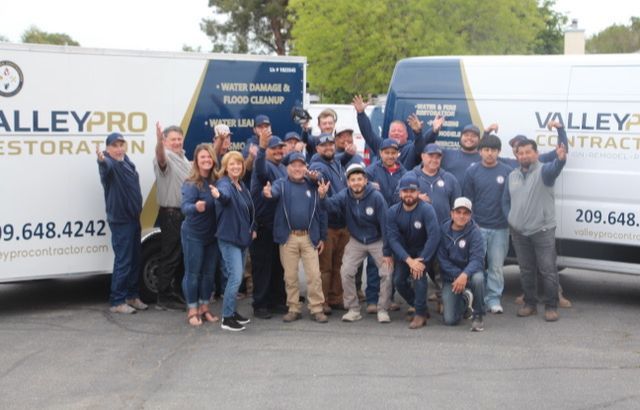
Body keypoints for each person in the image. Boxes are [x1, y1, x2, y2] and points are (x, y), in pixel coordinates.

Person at [503, 121, 567, 322]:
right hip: (519, 232)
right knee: (526, 269)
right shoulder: (512, 175)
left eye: (527, 152)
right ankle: (530, 304)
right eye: (520, 153)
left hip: (542, 230)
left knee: (547, 269)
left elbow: (558, 164)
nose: (523, 156)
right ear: (516, 156)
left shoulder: (545, 172)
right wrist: (511, 219)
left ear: (536, 154)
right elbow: (505, 201)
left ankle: (550, 306)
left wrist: (560, 134)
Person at [319, 163, 393, 323]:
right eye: (353, 180)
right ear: (348, 182)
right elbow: (329, 207)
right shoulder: (344, 195)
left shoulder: (376, 197)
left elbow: (386, 225)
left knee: (386, 273)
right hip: (357, 239)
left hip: (377, 240)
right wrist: (323, 196)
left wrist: (387, 252)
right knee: (346, 272)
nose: (356, 183)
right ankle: (353, 309)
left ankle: (383, 309)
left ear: (365, 180)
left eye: (359, 179)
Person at [263, 152, 329, 323]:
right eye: (294, 165)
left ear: (306, 168)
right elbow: (273, 192)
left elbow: (322, 212)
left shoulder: (313, 185)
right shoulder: (281, 184)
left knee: (314, 275)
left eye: (301, 165)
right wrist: (268, 193)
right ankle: (293, 308)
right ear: (288, 168)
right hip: (288, 237)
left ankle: (316, 308)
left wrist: (322, 236)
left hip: (309, 237)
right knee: (290, 276)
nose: (298, 168)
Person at [462, 134, 513, 314]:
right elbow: (468, 199)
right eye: (486, 150)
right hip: (477, 227)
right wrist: (471, 224)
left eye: (493, 150)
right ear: (480, 151)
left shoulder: (507, 171)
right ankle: (476, 297)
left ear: (499, 152)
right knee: (476, 264)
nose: (489, 153)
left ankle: (493, 299)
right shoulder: (472, 171)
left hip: (500, 228)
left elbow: (510, 199)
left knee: (496, 266)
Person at [96, 132, 146, 314]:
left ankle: (132, 296)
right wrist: (102, 160)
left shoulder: (126, 161)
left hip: (133, 219)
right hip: (121, 220)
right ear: (108, 149)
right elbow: (105, 166)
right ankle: (117, 301)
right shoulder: (109, 163)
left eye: (121, 145)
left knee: (134, 259)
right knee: (124, 260)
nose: (119, 149)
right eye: (114, 146)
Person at [387, 174, 441, 329]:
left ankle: (419, 315)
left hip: (424, 251)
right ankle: (420, 306)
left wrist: (421, 260)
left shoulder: (427, 209)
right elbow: (392, 239)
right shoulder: (392, 212)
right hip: (405, 254)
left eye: (412, 191)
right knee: (398, 281)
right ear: (400, 193)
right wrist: (409, 260)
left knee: (419, 277)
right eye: (405, 191)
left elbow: (434, 235)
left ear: (418, 192)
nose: (409, 194)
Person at [210, 151, 255, 331]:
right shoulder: (224, 184)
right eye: (232, 164)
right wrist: (218, 195)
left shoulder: (241, 185)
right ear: (226, 167)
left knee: (235, 277)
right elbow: (225, 197)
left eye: (239, 164)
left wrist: (254, 229)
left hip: (242, 238)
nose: (236, 167)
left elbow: (250, 209)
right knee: (235, 278)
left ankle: (232, 312)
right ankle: (227, 319)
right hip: (229, 238)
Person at [309, 133, 353, 314]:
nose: (328, 147)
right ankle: (323, 301)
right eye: (323, 145)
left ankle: (336, 298)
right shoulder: (318, 164)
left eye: (330, 144)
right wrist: (314, 177)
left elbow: (343, 157)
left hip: (343, 224)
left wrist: (349, 154)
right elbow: (316, 174)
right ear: (317, 149)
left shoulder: (336, 162)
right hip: (328, 224)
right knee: (324, 268)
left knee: (338, 265)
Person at [249, 133, 288, 319]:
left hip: (277, 225)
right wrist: (262, 149)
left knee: (277, 266)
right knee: (262, 267)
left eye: (281, 147)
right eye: (274, 148)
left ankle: (276, 301)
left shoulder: (282, 168)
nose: (279, 151)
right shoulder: (264, 166)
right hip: (263, 226)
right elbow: (260, 170)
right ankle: (260, 305)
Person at [180, 144, 219, 326]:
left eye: (209, 157)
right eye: (202, 157)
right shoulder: (190, 183)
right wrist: (196, 207)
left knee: (209, 274)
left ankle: (205, 307)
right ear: (196, 161)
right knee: (193, 273)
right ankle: (192, 309)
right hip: (193, 234)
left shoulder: (217, 180)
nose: (206, 160)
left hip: (212, 236)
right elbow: (185, 207)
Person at [153, 122, 191, 311]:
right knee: (170, 255)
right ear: (165, 141)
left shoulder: (183, 158)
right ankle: (164, 297)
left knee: (180, 256)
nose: (176, 142)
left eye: (179, 138)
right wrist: (159, 143)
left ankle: (175, 292)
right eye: (172, 139)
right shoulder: (165, 156)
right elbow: (160, 157)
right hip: (171, 214)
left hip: (183, 214)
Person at [353, 95, 439, 169]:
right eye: (393, 131)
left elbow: (422, 144)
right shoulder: (381, 145)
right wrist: (361, 114)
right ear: (388, 134)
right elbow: (368, 134)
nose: (396, 133)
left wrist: (430, 131)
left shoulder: (410, 149)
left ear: (406, 135)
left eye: (400, 131)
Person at [438, 197, 486, 331]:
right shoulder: (443, 231)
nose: (461, 216)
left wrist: (464, 275)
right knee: (450, 320)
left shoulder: (475, 232)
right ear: (452, 213)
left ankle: (478, 315)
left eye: (465, 213)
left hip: (470, 275)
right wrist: (457, 275)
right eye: (458, 212)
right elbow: (442, 259)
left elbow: (477, 259)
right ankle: (465, 301)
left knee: (479, 279)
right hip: (451, 277)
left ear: (470, 216)